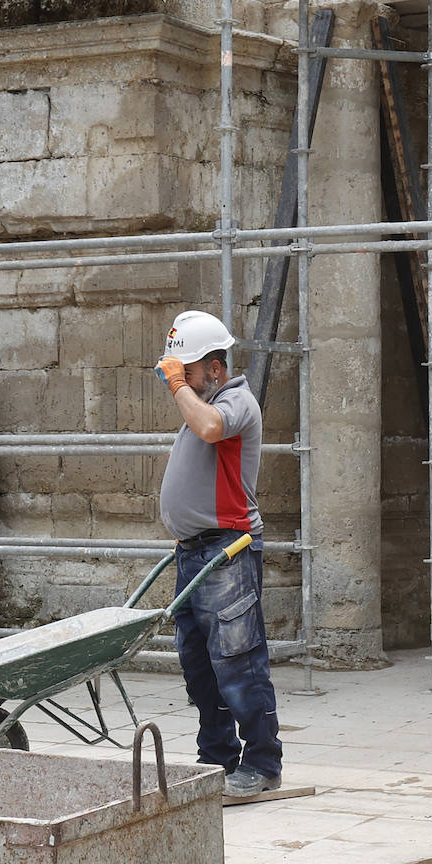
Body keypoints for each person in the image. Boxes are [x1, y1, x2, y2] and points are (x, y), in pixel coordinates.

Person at [155, 309, 283, 797]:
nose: (178, 381)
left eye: (184, 370)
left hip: (227, 551)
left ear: (213, 366)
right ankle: (216, 758)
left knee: (238, 661)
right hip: (195, 552)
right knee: (199, 664)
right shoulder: (204, 401)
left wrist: (178, 388)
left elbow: (211, 429)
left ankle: (263, 764)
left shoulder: (236, 402)